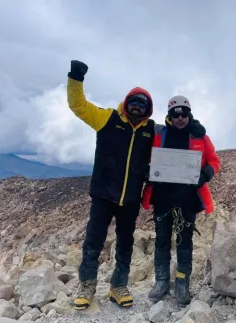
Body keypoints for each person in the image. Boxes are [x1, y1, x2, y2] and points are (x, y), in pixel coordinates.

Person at [66, 59, 156, 310]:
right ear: (126, 103)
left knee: (125, 244)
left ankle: (118, 286)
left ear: (148, 108)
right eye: (133, 102)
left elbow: (174, 137)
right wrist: (76, 78)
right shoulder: (107, 119)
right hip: (103, 196)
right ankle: (87, 286)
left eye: (143, 104)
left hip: (129, 199)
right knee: (93, 241)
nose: (137, 107)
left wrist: (192, 128)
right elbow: (79, 106)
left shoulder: (151, 130)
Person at [141, 95, 221, 306]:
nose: (180, 119)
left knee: (185, 242)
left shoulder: (200, 137)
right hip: (162, 198)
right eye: (175, 115)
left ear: (189, 114)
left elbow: (214, 161)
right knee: (162, 241)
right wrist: (146, 171)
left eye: (184, 114)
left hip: (188, 199)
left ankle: (182, 283)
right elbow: (145, 155)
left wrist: (206, 173)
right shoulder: (159, 133)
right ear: (169, 115)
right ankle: (161, 281)